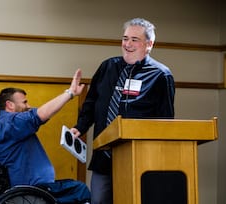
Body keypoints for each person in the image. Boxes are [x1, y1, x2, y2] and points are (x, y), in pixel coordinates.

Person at [70, 18, 175, 203]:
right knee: (99, 200)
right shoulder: (107, 66)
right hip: (104, 156)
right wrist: (81, 126)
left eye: (135, 39)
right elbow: (92, 100)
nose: (127, 44)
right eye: (125, 38)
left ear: (149, 44)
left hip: (138, 159)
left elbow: (165, 119)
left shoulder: (161, 75)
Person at [0, 69, 91, 204]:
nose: (28, 106)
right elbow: (38, 115)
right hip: (30, 191)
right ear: (10, 105)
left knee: (71, 185)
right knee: (80, 190)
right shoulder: (11, 123)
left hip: (26, 188)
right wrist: (70, 93)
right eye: (24, 102)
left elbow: (38, 116)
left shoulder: (2, 124)